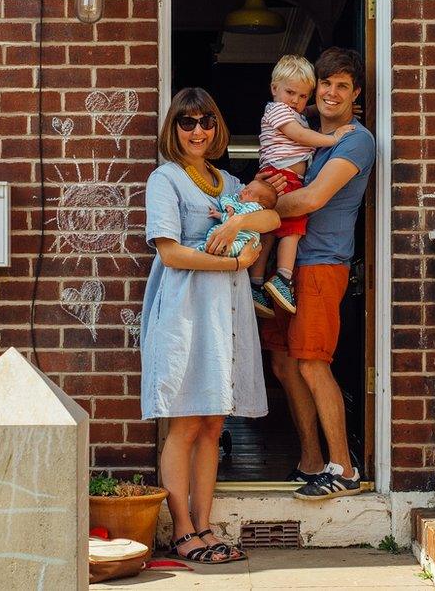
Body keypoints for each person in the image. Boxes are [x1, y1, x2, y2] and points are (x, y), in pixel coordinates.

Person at [141, 87, 280, 562]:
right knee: (185, 422)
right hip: (185, 311)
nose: (197, 130)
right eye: (186, 122)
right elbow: (171, 251)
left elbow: (270, 215)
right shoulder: (166, 180)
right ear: (173, 129)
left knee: (213, 422)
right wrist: (234, 261)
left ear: (217, 127)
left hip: (226, 315)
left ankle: (206, 525)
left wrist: (233, 227)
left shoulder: (228, 182)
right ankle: (183, 530)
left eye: (205, 121)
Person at [259, 47, 375, 501]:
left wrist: (261, 207)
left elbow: (308, 201)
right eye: (325, 84)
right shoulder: (302, 132)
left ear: (355, 93)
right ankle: (311, 460)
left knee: (311, 360)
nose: (331, 92)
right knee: (285, 362)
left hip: (321, 264)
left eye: (342, 85)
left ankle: (343, 468)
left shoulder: (355, 140)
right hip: (286, 268)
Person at [249, 55, 355, 318]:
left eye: (302, 96)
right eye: (290, 93)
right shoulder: (279, 112)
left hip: (278, 175)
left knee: (271, 231)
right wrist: (333, 138)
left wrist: (321, 110)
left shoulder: (288, 110)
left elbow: (299, 116)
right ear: (274, 89)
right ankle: (283, 279)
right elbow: (299, 134)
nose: (295, 101)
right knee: (293, 230)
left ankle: (256, 282)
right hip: (283, 177)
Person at [196, 179, 279, 257]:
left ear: (259, 203)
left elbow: (234, 219)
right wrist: (229, 206)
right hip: (228, 235)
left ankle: (213, 250)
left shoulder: (254, 208)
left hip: (245, 237)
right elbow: (227, 197)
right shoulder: (239, 199)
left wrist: (220, 215)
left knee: (238, 247)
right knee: (215, 234)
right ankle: (209, 248)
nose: (244, 191)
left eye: (249, 192)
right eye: (246, 187)